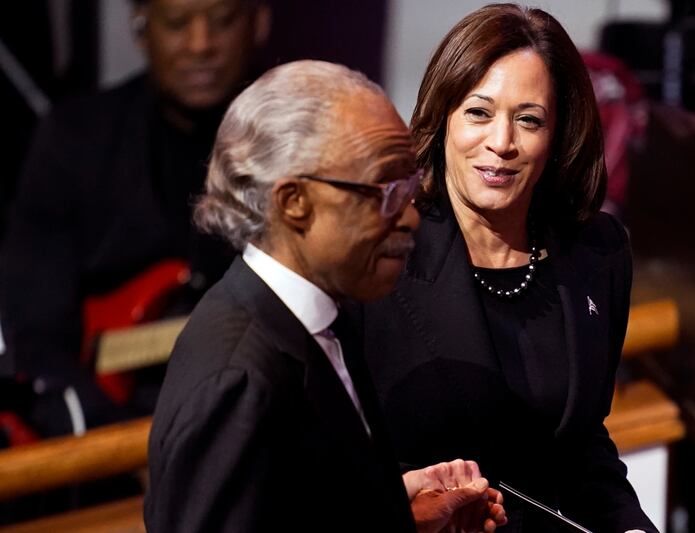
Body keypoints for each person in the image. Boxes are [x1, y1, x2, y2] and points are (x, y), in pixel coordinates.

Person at [145, 60, 507, 533]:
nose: (411, 217)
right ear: (294, 201)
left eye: (410, 189)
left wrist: (395, 507)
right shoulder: (238, 381)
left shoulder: (320, 317)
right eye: (384, 191)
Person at [358, 4, 657, 532]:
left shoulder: (598, 252)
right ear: (443, 116)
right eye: (479, 112)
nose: (501, 143)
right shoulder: (381, 254)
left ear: (558, 135)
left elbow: (583, 444)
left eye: (528, 119)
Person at [0, 0, 271, 437]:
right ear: (141, 28)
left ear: (259, 21)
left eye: (223, 21)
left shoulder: (296, 145)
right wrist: (122, 442)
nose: (201, 45)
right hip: (103, 437)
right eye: (178, 23)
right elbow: (36, 336)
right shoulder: (74, 138)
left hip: (253, 423)